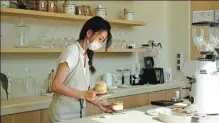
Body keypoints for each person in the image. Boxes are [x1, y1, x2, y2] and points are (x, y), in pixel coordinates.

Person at [49, 16, 115, 122]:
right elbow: (56, 86)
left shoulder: (85, 55)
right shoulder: (72, 52)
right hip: (63, 114)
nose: (100, 44)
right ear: (89, 33)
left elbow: (82, 92)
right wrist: (84, 94)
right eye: (100, 39)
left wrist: (101, 104)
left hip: (77, 114)